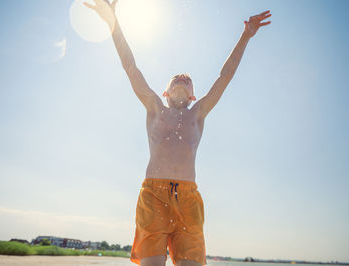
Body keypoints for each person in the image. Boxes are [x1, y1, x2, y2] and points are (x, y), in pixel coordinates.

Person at [84, 1, 271, 265]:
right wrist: (112, 22)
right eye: (176, 78)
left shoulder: (198, 113)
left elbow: (224, 76)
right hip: (153, 195)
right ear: (166, 92)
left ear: (193, 95)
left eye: (187, 78)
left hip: (188, 199)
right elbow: (130, 66)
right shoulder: (154, 107)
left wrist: (245, 35)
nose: (182, 77)